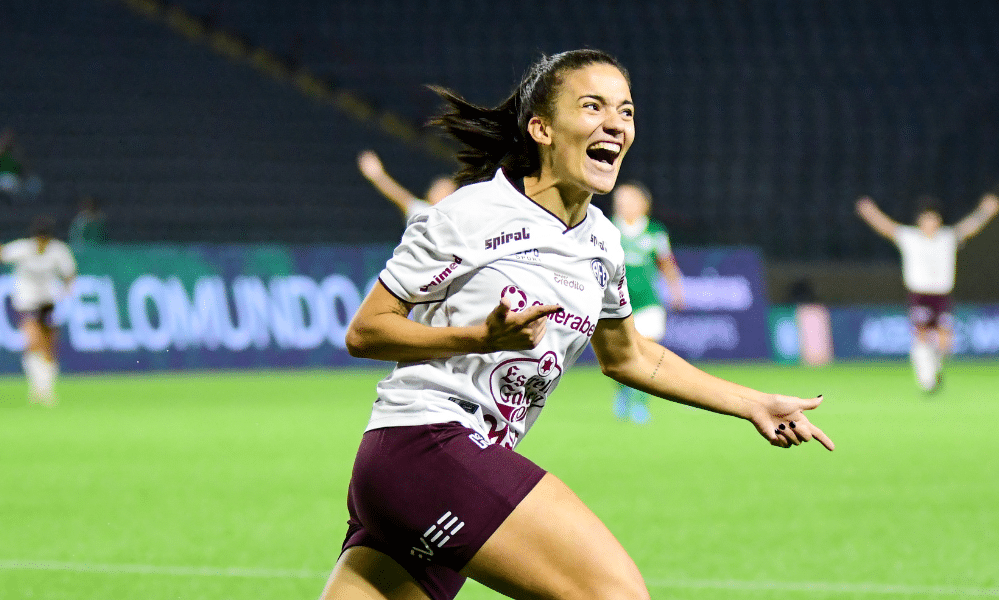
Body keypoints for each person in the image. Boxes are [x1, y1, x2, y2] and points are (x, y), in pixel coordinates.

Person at [323, 50, 834, 600]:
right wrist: (479, 337)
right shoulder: (468, 215)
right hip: (428, 443)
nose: (614, 123)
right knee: (613, 594)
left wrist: (750, 402)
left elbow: (629, 356)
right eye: (592, 106)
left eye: (627, 111)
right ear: (541, 128)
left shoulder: (603, 243)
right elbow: (367, 330)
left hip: (442, 464)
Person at [856, 193, 999, 392]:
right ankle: (925, 378)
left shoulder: (947, 237)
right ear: (920, 222)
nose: (930, 223)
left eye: (933, 219)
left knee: (945, 342)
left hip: (941, 295)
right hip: (920, 294)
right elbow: (887, 227)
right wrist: (870, 212)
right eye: (926, 219)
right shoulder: (910, 237)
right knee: (921, 335)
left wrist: (986, 210)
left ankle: (934, 367)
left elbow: (969, 227)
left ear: (938, 221)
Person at [610, 180, 684, 423]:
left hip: (648, 303)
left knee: (647, 354)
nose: (623, 204)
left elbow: (666, 263)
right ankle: (622, 392)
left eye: (629, 199)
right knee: (621, 356)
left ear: (644, 204)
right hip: (615, 305)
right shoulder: (608, 229)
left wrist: (676, 291)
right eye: (619, 200)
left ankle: (641, 404)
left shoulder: (655, 231)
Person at [0, 215, 77, 405]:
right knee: (33, 341)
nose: (42, 243)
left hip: (48, 302)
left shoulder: (58, 251)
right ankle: (38, 388)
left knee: (49, 347)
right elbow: (2, 254)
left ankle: (45, 388)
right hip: (26, 302)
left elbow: (69, 273)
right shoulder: (23, 249)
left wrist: (67, 288)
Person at [357, 149, 457, 223]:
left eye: (443, 190)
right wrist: (378, 176)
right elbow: (400, 196)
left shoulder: (455, 222)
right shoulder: (422, 211)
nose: (436, 191)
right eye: (436, 187)